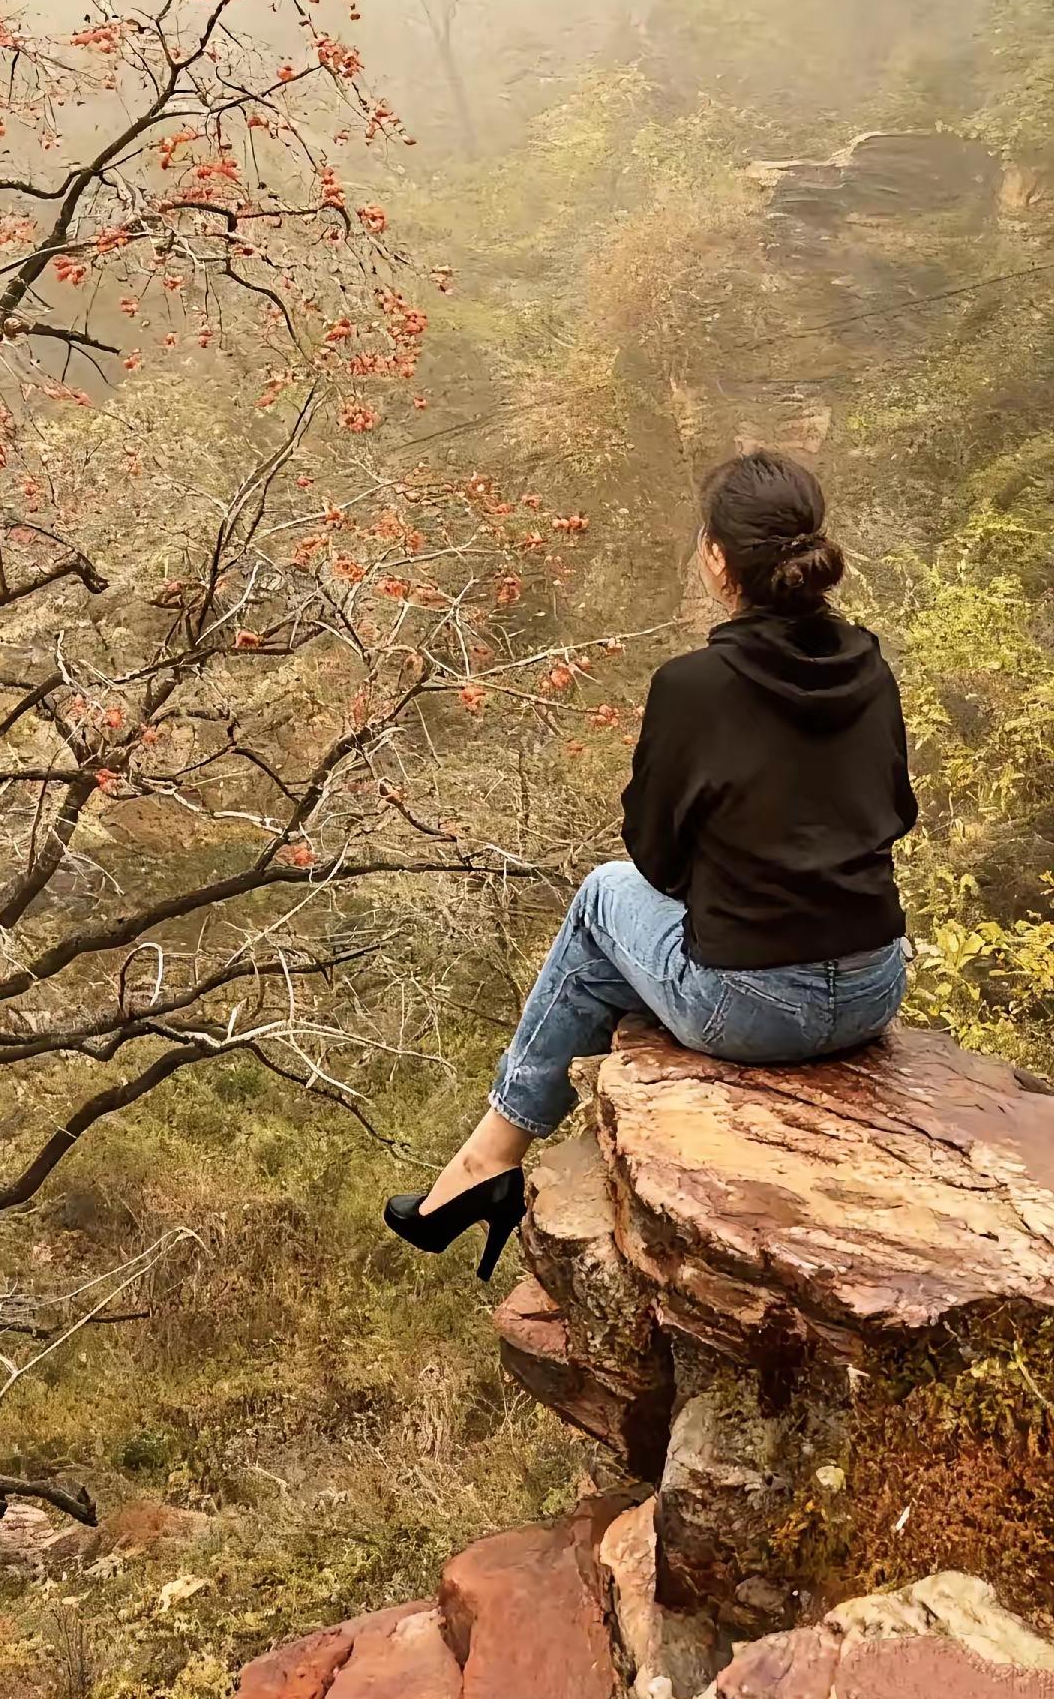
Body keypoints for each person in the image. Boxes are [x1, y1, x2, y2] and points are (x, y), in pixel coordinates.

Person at [384, 450, 919, 1281]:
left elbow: (655, 861)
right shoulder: (870, 665)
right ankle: (484, 1168)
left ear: (717, 558)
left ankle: (490, 1158)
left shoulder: (693, 686)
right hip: (877, 986)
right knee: (630, 924)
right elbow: (898, 816)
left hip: (755, 1013)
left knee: (604, 896)